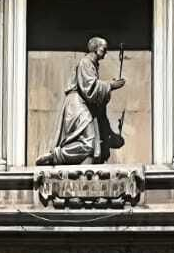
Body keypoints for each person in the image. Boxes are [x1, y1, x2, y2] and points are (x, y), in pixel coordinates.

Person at [35, 36, 126, 166]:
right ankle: (55, 156)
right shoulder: (86, 62)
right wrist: (110, 85)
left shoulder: (91, 65)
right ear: (95, 48)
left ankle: (61, 158)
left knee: (90, 147)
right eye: (104, 49)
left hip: (81, 105)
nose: (106, 52)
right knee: (89, 144)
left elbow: (94, 95)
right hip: (77, 105)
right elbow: (89, 89)